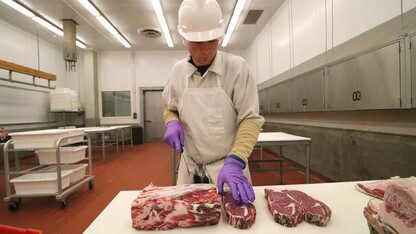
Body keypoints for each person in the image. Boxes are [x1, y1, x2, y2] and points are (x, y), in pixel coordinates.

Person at [162, 0, 264, 204]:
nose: (206, 50)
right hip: (189, 168)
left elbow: (250, 119)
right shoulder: (178, 72)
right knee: (189, 221)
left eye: (212, 41)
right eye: (198, 43)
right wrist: (171, 122)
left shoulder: (236, 68)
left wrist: (236, 161)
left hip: (228, 169)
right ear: (184, 38)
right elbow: (170, 107)